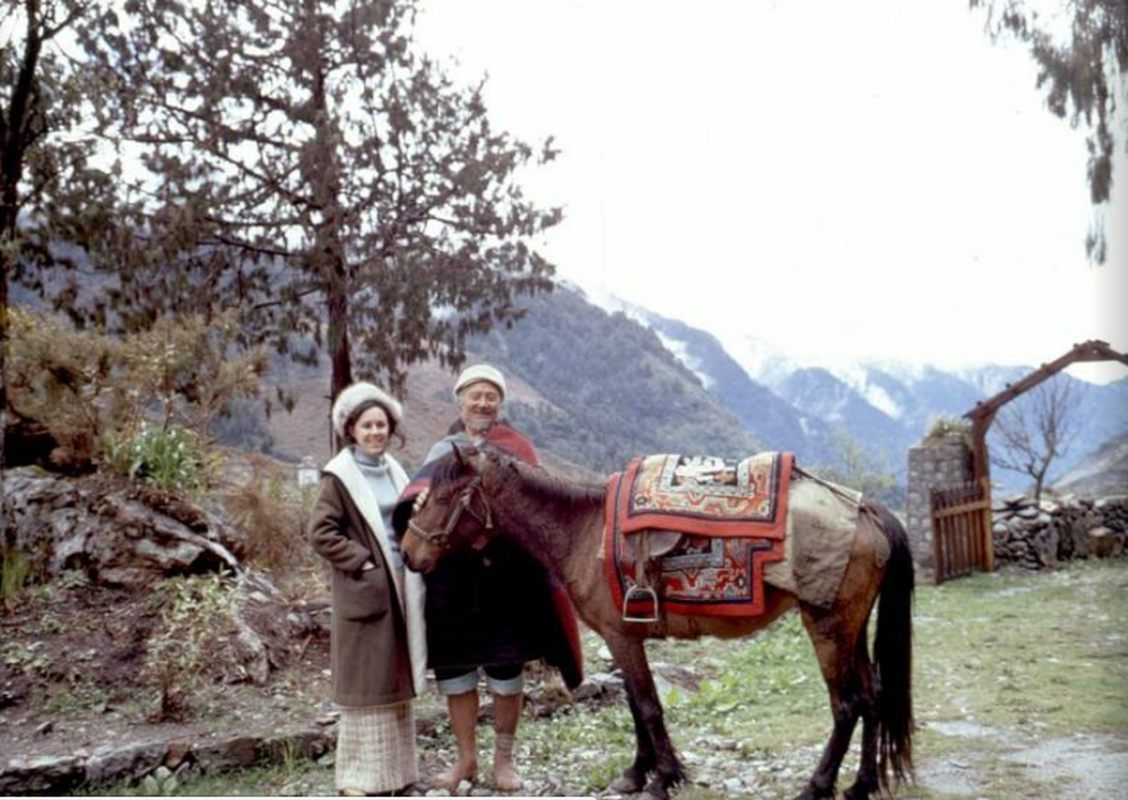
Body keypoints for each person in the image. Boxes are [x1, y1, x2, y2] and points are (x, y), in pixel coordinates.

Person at [395, 364, 582, 793]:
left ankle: (504, 761)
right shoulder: (443, 450)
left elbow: (539, 511)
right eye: (474, 395)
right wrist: (420, 500)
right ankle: (466, 761)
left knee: (505, 671)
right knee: (456, 673)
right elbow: (417, 499)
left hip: (503, 580)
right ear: (459, 402)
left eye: (490, 396)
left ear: (499, 404)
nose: (482, 403)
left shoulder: (516, 449)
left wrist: (492, 532)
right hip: (452, 582)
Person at [310, 382, 426, 797]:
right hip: (368, 587)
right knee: (368, 684)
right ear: (351, 429)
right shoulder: (339, 478)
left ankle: (398, 775)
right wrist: (362, 560)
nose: (376, 432)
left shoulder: (395, 471)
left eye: (382, 425)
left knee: (394, 679)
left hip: (401, 585)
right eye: (368, 425)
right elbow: (320, 532)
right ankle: (359, 780)